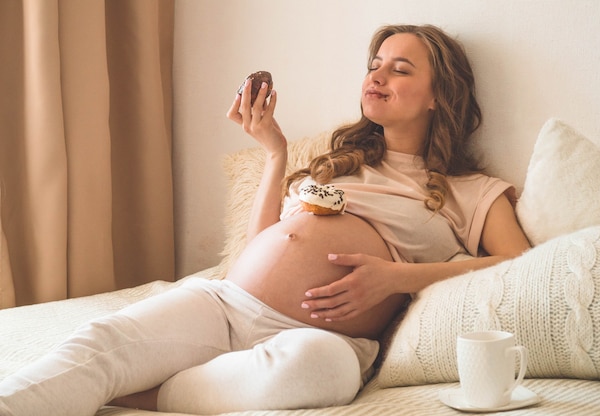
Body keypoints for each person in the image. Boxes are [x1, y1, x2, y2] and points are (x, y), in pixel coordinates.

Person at [0, 24, 530, 416]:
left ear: (440, 96)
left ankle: (148, 392)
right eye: (375, 63)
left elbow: (519, 264)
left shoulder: (470, 191)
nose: (377, 74)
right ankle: (120, 384)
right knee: (98, 342)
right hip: (228, 304)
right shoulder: (336, 164)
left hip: (324, 339)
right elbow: (261, 246)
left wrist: (398, 278)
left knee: (323, 371)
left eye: (401, 68)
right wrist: (275, 154)